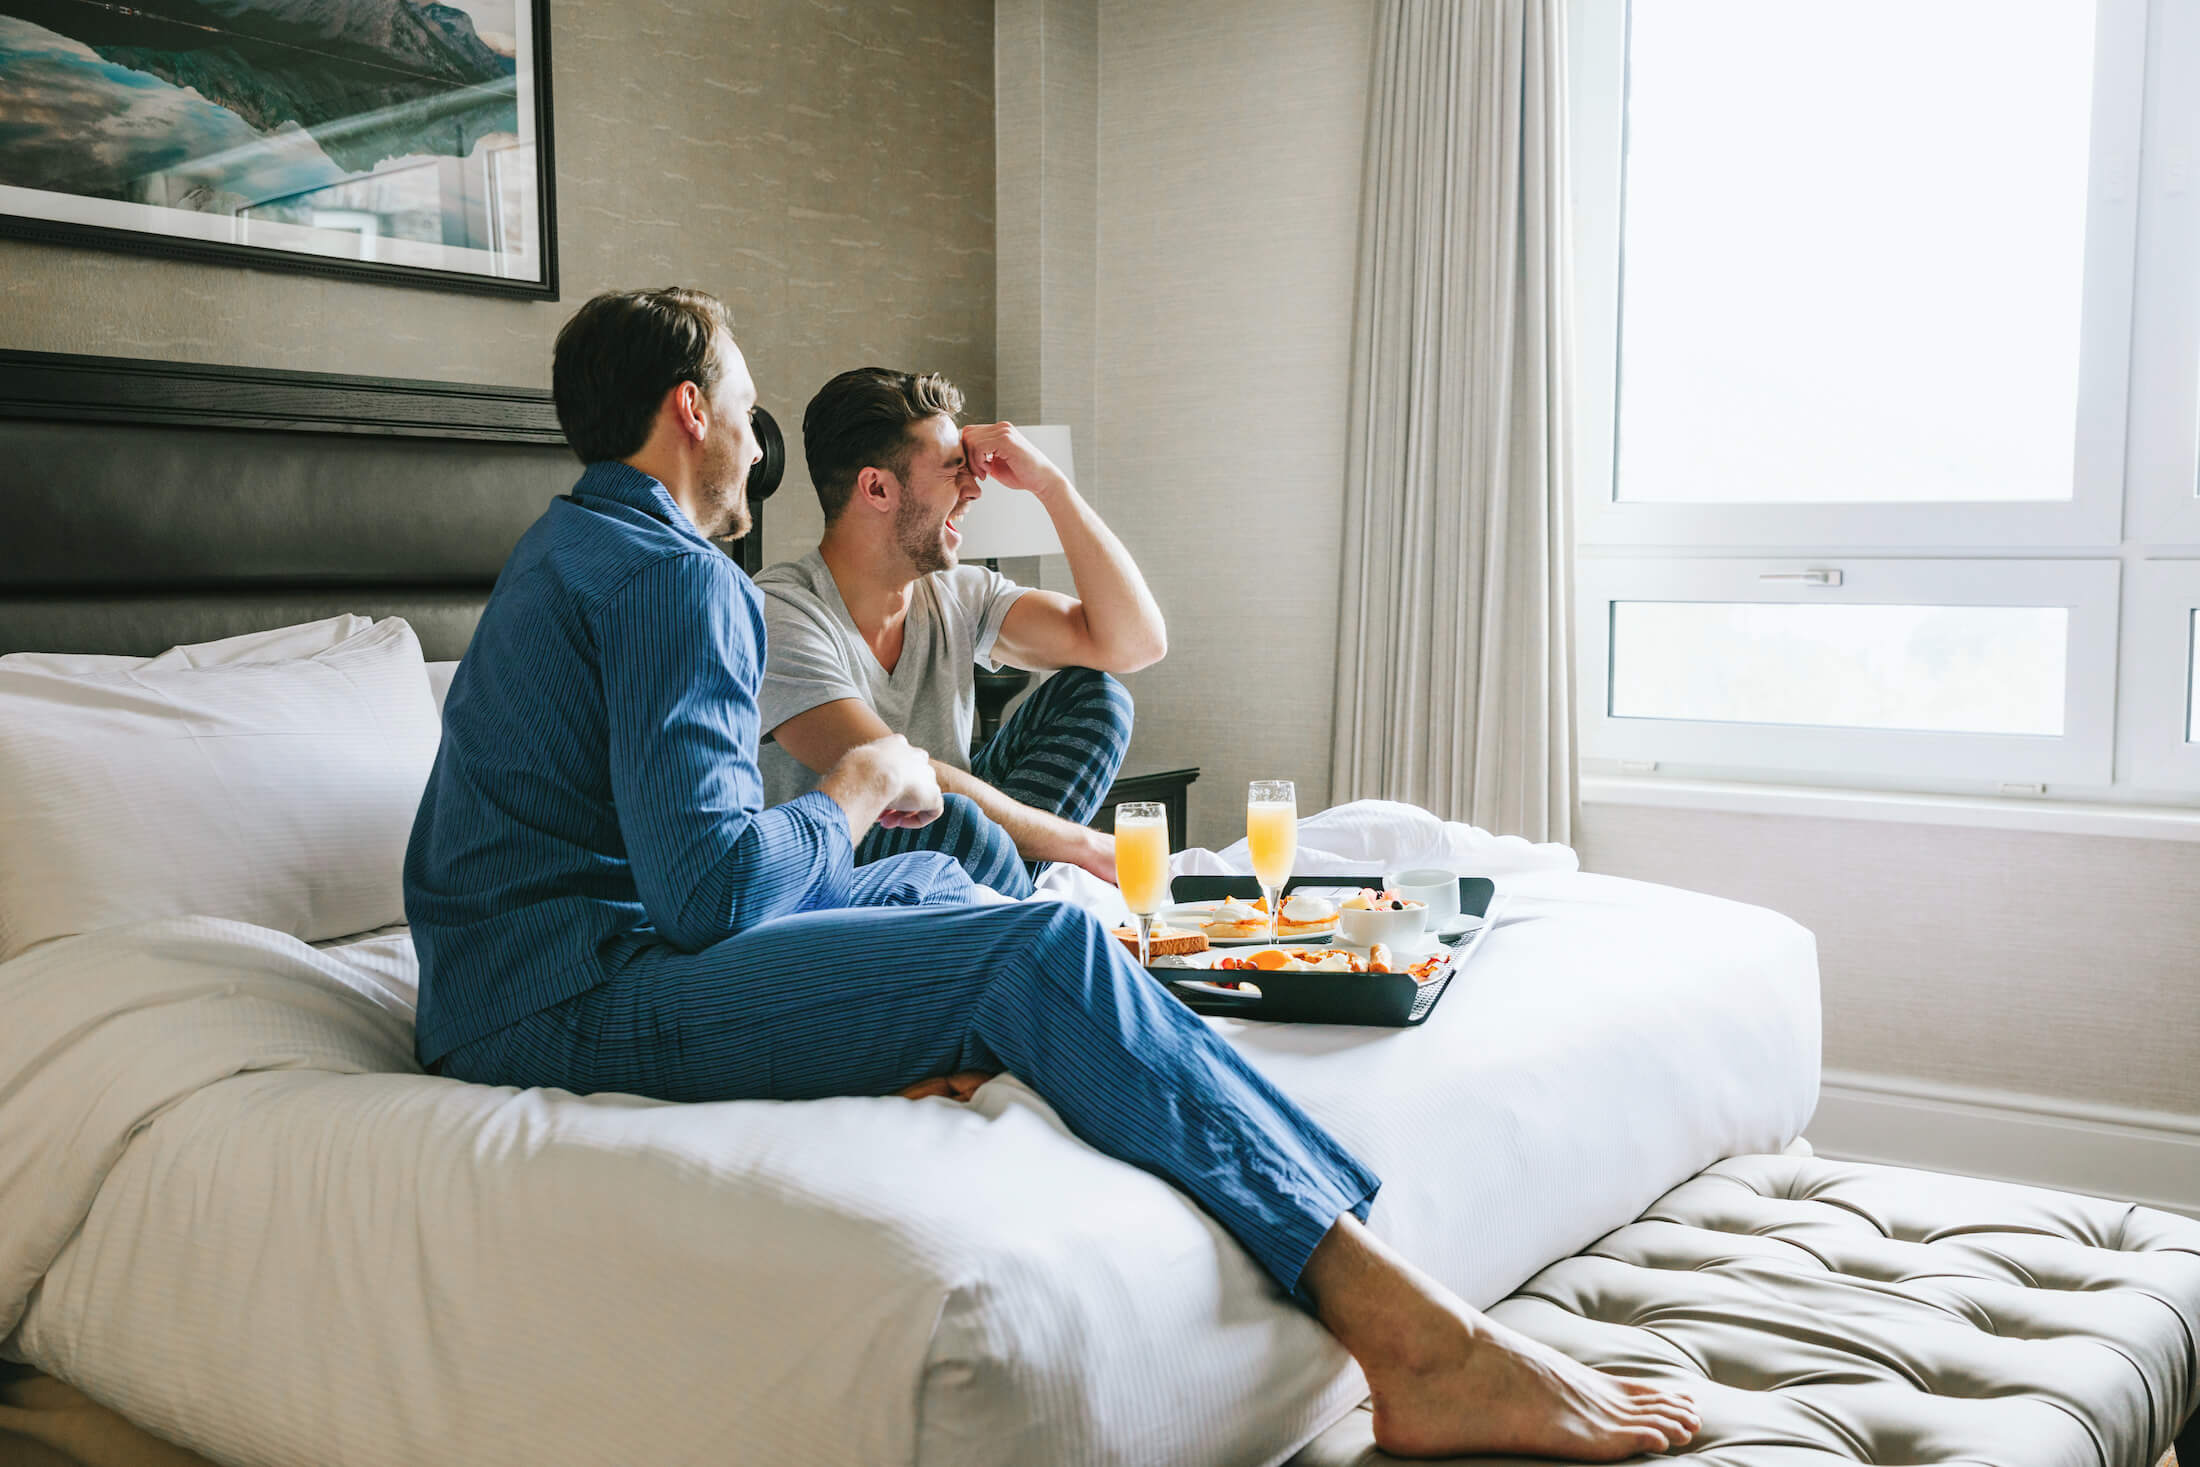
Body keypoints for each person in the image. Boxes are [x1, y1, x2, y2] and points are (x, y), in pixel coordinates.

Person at [403, 286, 1698, 1462]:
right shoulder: (682, 579)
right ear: (692, 410)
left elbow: (673, 845)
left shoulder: (569, 544)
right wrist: (855, 789)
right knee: (1039, 948)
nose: (754, 438)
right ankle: (1418, 1338)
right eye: (743, 407)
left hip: (519, 970)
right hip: (559, 994)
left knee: (946, 897)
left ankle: (1248, 1155)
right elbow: (708, 897)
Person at [755, 368, 1164, 897]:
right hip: (836, 874)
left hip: (962, 840)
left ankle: (1002, 896)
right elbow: (899, 778)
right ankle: (1018, 908)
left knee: (1099, 697)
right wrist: (1084, 846)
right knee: (951, 823)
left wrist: (1050, 485)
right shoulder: (778, 612)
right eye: (953, 470)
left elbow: (1136, 645)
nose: (974, 488)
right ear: (877, 487)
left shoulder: (956, 592)